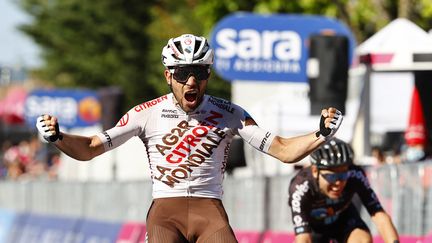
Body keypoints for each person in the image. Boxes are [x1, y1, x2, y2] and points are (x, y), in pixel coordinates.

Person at [36, 34, 343, 243]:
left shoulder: (230, 112)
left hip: (210, 211)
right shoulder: (147, 112)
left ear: (209, 74)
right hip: (165, 214)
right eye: (183, 73)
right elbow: (90, 149)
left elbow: (284, 150)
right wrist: (58, 137)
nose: (192, 81)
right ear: (168, 75)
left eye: (199, 72)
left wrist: (321, 133)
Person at [288, 138, 399, 243]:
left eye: (343, 176)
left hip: (344, 221)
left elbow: (379, 215)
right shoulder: (300, 187)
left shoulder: (355, 174)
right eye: (332, 177)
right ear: (315, 171)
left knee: (362, 240)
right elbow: (303, 239)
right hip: (314, 229)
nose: (338, 183)